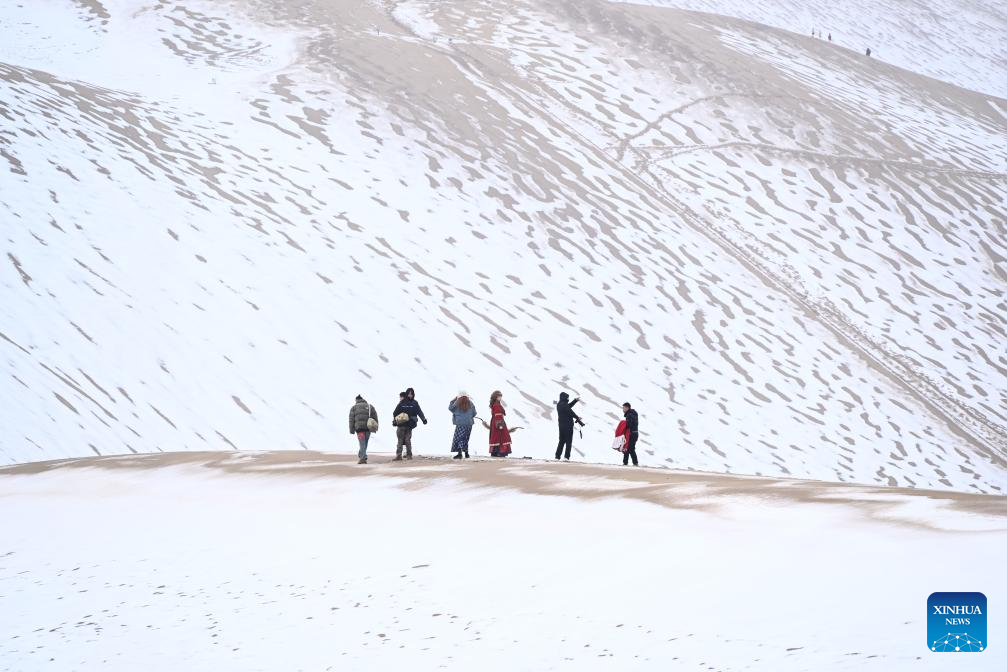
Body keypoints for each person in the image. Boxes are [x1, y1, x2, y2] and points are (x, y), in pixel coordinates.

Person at [392, 388, 427, 460]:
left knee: (405, 440)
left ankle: (406, 455)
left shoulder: (409, 403)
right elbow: (395, 412)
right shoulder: (409, 403)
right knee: (403, 440)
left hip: (407, 425)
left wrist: (423, 419)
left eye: (411, 394)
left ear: (413, 394)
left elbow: (419, 412)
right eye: (409, 394)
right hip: (404, 425)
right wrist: (395, 421)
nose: (410, 395)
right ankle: (402, 456)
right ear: (407, 394)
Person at [555, 392, 584, 461]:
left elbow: (568, 407)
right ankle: (566, 457)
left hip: (561, 426)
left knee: (561, 441)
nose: (568, 398)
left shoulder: (559, 404)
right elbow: (570, 411)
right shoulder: (564, 405)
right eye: (567, 397)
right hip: (568, 426)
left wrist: (575, 400)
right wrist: (577, 417)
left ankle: (557, 456)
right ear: (564, 397)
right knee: (568, 441)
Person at [349, 394, 378, 464]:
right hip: (368, 428)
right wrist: (375, 427)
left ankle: (362, 458)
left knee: (362, 443)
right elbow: (375, 417)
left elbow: (351, 419)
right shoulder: (370, 406)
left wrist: (351, 430)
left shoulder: (353, 408)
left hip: (359, 429)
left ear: (356, 400)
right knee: (365, 443)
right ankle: (362, 455)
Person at [448, 392, 477, 458]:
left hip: (460, 423)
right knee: (466, 438)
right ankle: (466, 453)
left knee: (459, 438)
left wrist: (454, 400)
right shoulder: (471, 403)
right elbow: (474, 413)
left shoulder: (457, 403)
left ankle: (460, 453)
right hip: (469, 423)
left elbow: (450, 408)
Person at [488, 390, 512, 457]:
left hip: (495, 422)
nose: (500, 398)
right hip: (498, 423)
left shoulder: (496, 404)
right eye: (499, 396)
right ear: (495, 397)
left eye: (500, 396)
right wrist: (500, 425)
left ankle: (496, 452)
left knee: (497, 437)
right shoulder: (496, 405)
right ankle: (499, 452)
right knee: (501, 437)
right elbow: (498, 415)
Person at [621, 402, 639, 466]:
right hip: (634, 433)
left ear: (627, 408)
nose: (623, 409)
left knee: (630, 448)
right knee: (628, 447)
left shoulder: (629, 415)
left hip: (632, 433)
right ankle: (626, 462)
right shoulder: (633, 413)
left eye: (623, 408)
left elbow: (629, 425)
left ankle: (635, 463)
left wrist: (623, 424)